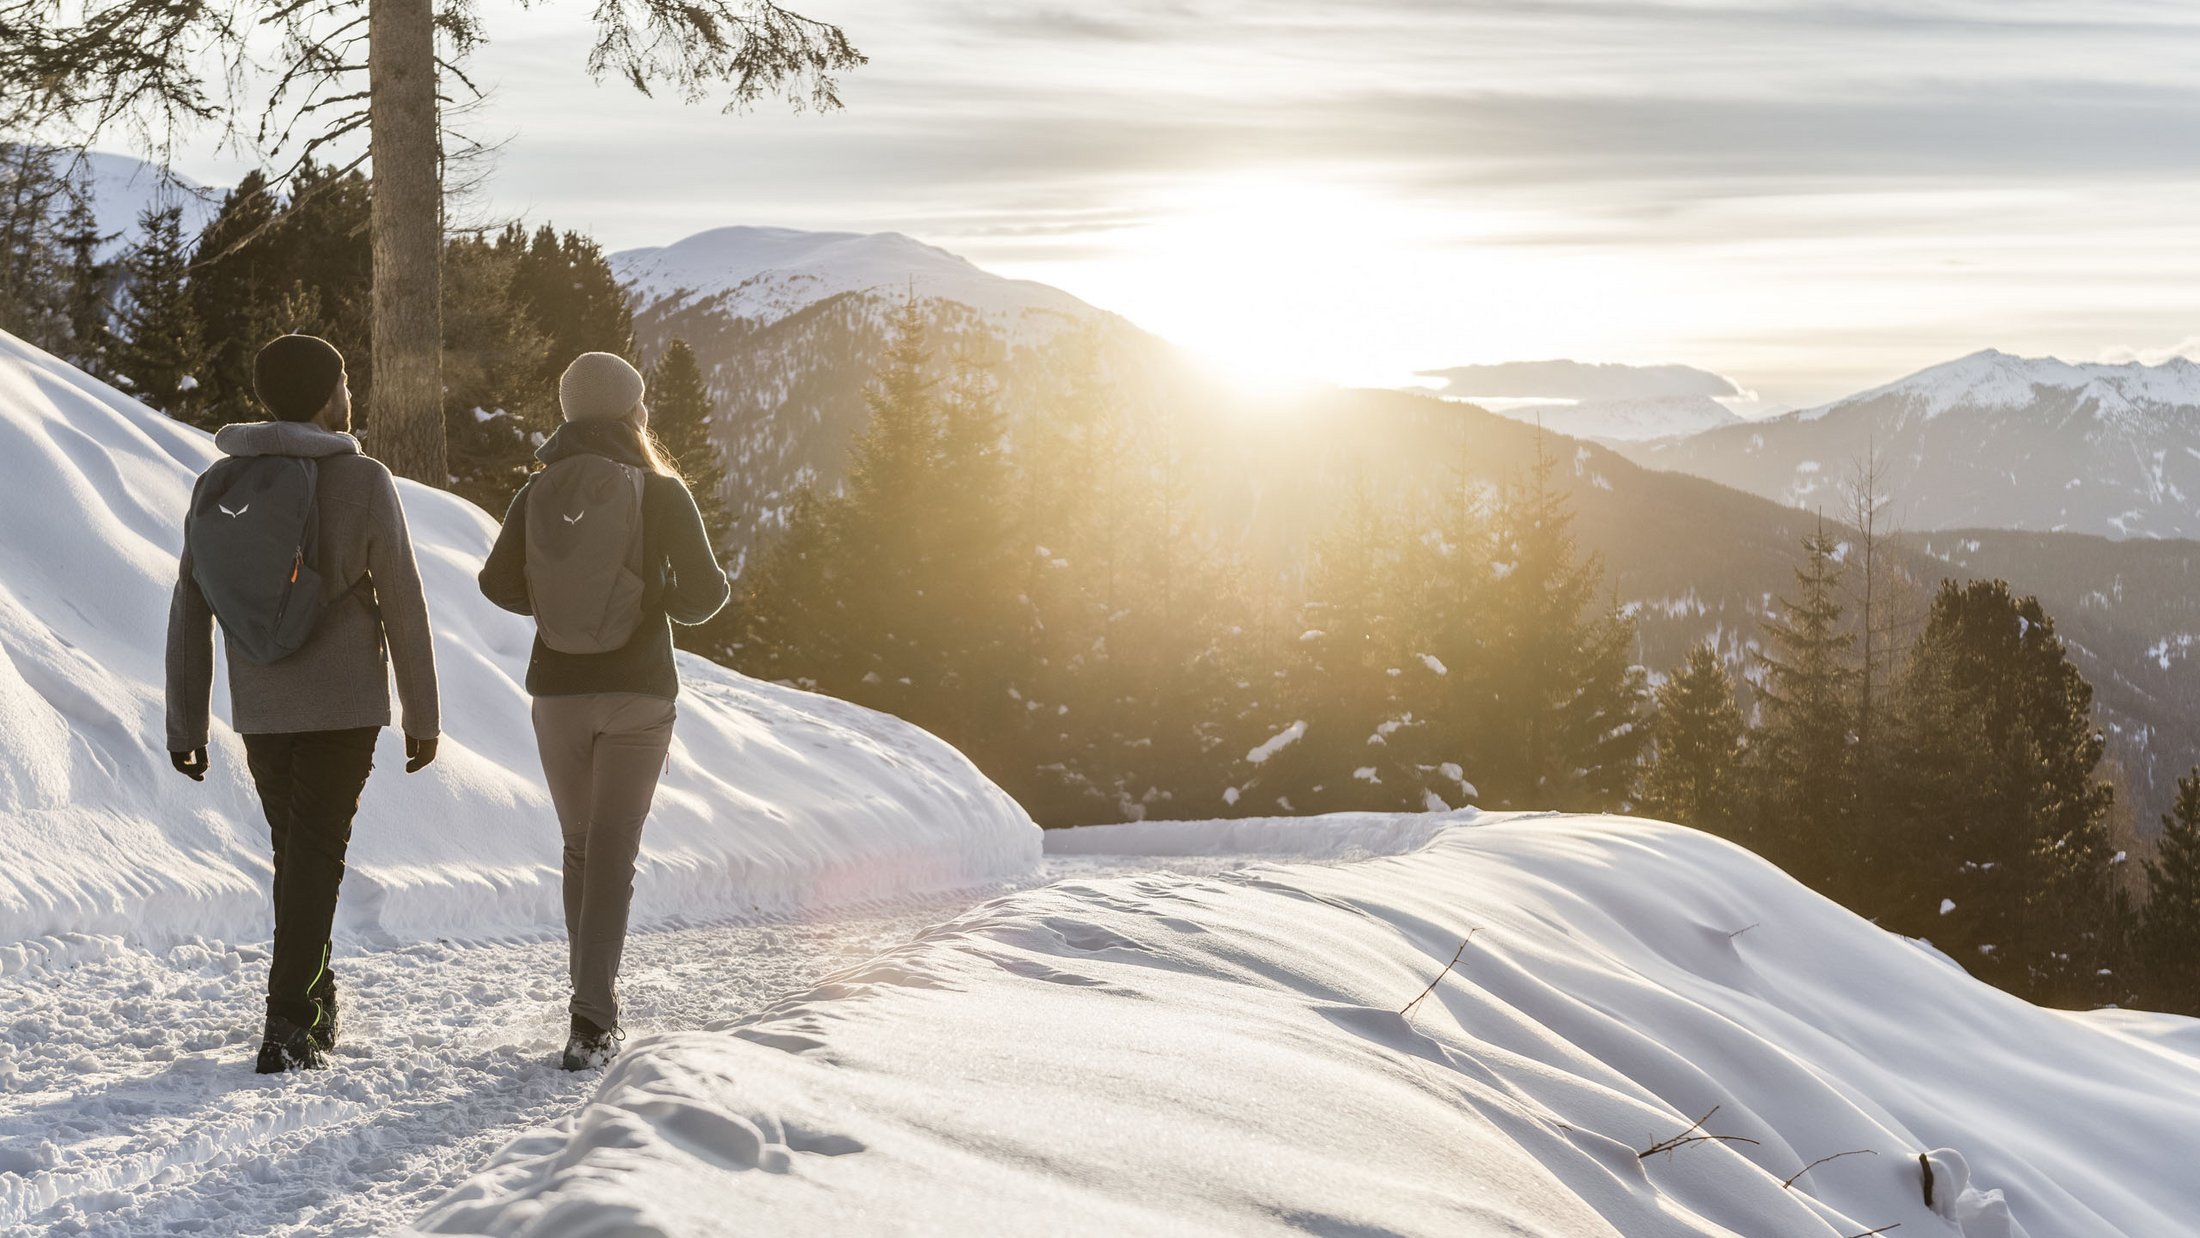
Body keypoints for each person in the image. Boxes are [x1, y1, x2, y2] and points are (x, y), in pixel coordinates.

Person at [166, 333, 441, 1073]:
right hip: (344, 703)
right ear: (329, 395)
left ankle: (313, 1006)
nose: (350, 394)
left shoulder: (220, 484)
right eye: (345, 381)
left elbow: (190, 607)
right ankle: (289, 1018)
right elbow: (405, 603)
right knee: (313, 856)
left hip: (260, 705)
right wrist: (423, 714)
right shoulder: (364, 480)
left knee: (300, 856)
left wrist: (186, 722)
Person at [478, 351, 729, 1071]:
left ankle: (589, 1005)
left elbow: (497, 583)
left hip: (557, 693)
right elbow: (707, 596)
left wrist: (556, 605)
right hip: (639, 691)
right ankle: (592, 1021)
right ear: (632, 410)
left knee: (581, 848)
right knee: (613, 852)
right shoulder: (660, 491)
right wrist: (654, 602)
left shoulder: (535, 491)